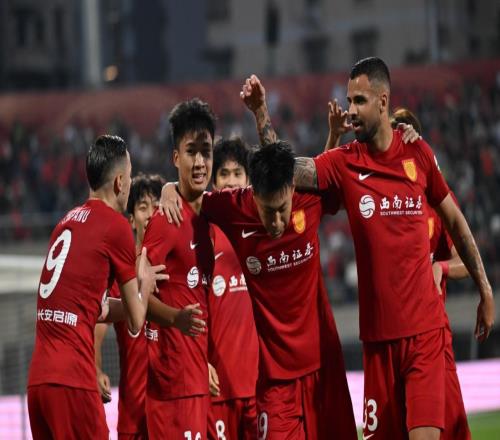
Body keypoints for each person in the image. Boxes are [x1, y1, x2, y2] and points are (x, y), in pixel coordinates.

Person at [240, 58, 495, 440]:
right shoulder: (344, 164)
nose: (351, 110)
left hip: (425, 335)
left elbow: (456, 223)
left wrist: (485, 290)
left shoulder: (418, 154)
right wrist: (261, 112)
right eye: (349, 100)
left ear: (383, 101)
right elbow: (284, 170)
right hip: (377, 345)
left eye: (359, 100)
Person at [161, 142, 357, 439]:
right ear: (253, 193)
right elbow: (193, 198)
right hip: (275, 382)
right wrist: (169, 188)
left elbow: (343, 180)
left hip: (324, 371)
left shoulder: (309, 201)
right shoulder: (234, 207)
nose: (276, 222)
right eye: (268, 211)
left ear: (292, 189)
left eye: (282, 210)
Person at [27, 135, 167, 440]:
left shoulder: (65, 223)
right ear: (120, 182)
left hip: (38, 383)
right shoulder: (115, 226)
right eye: (129, 176)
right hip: (72, 381)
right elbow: (136, 319)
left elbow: (95, 308)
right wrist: (145, 282)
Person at [391, 108, 472, 440]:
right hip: (390, 338)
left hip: (432, 335)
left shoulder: (438, 199)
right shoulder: (382, 201)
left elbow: (466, 259)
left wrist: (440, 267)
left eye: (405, 136)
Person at [141, 98, 216, 440]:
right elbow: (137, 297)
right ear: (175, 158)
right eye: (191, 152)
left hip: (197, 380)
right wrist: (175, 319)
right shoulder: (166, 220)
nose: (199, 162)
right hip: (174, 387)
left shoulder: (212, 216)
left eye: (206, 152)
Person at [94, 173, 165, 439]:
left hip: (172, 406)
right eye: (143, 207)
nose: (151, 214)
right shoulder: (118, 277)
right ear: (132, 219)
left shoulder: (178, 267)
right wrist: (96, 369)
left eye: (156, 207)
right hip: (134, 413)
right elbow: (95, 331)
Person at [207, 138, 259, 440]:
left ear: (248, 179)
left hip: (259, 385)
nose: (230, 181)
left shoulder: (265, 228)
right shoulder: (201, 235)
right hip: (218, 389)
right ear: (213, 182)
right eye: (223, 174)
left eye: (237, 173)